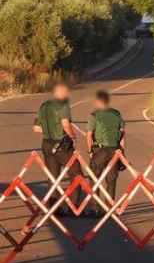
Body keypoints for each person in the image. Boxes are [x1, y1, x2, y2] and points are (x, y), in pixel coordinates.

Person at [33, 83, 79, 214]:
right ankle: (73, 206)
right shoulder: (63, 106)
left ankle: (53, 208)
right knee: (76, 174)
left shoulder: (44, 106)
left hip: (47, 144)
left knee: (53, 177)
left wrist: (50, 130)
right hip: (62, 144)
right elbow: (65, 124)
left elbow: (36, 128)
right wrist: (73, 136)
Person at [86, 90, 125, 217]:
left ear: (97, 102)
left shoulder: (94, 115)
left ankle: (94, 208)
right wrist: (122, 153)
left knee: (94, 178)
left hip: (100, 150)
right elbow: (122, 135)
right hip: (114, 150)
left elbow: (89, 135)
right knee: (111, 179)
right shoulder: (117, 114)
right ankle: (109, 208)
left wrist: (90, 150)